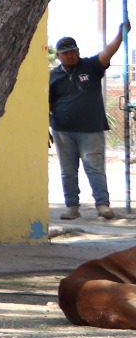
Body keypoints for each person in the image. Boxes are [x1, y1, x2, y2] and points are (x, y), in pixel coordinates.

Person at [49, 25, 126, 221]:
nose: (70, 55)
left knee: (94, 168)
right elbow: (47, 102)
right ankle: (72, 207)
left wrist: (120, 34)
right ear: (59, 56)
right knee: (68, 171)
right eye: (66, 53)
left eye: (73, 51)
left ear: (78, 52)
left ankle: (102, 205)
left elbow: (108, 52)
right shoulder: (53, 76)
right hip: (62, 131)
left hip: (91, 130)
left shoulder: (91, 66)